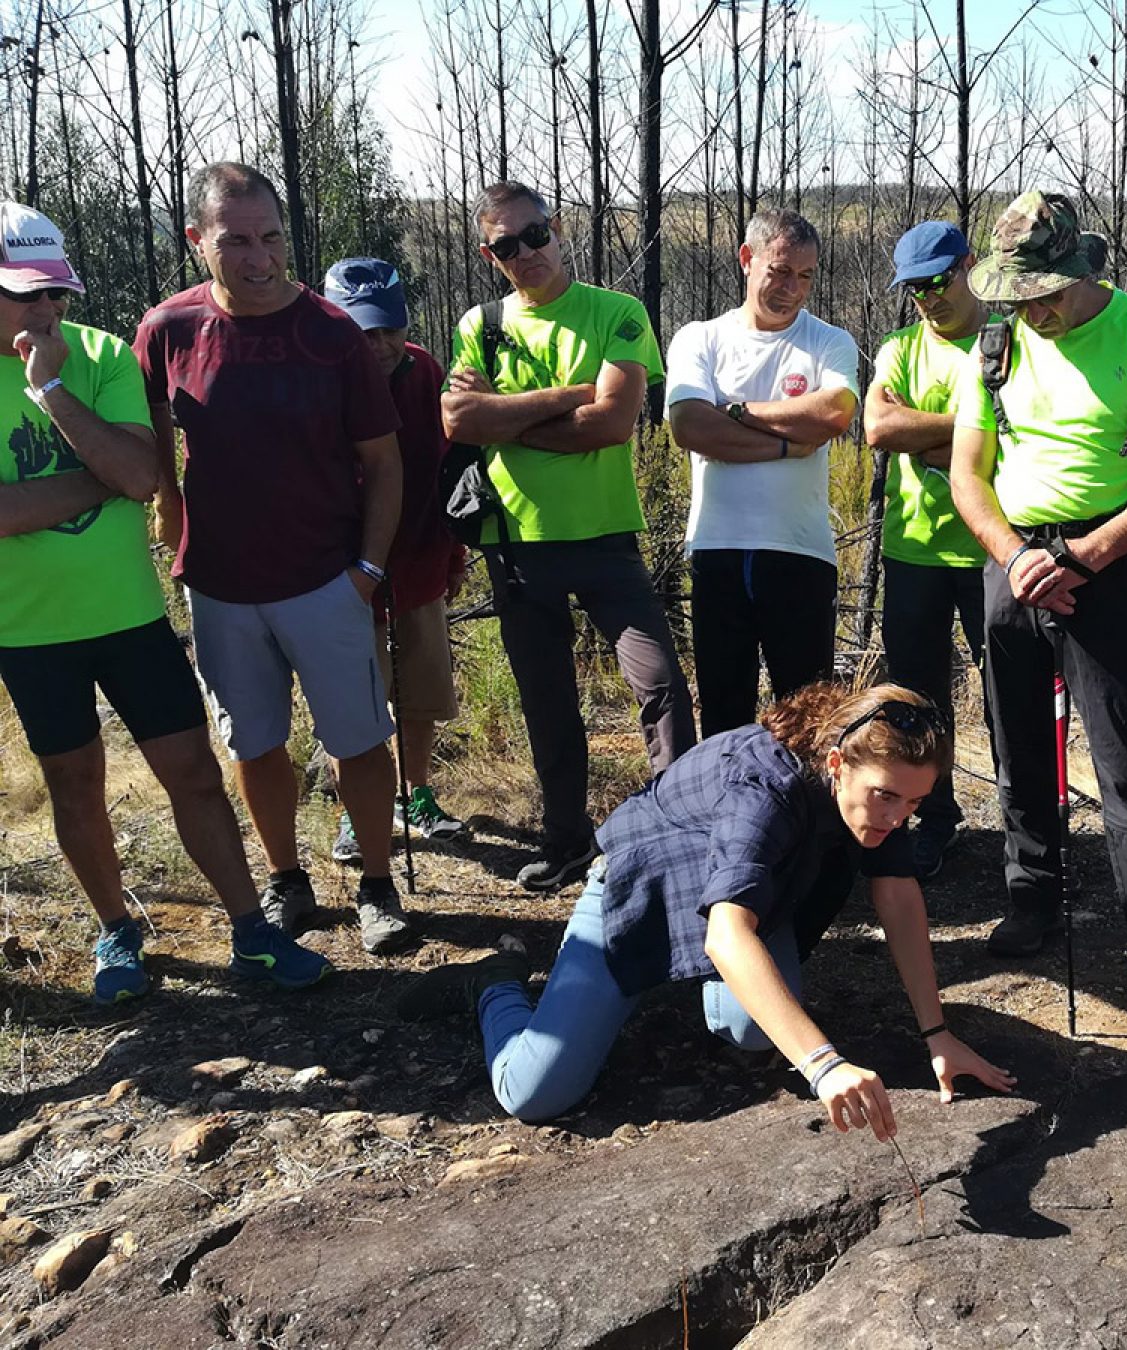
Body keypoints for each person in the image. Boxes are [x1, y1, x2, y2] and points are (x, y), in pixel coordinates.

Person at [397, 682, 1016, 1130]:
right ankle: (494, 985)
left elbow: (898, 897)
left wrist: (937, 1033)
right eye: (885, 797)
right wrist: (824, 1066)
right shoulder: (765, 787)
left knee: (751, 1029)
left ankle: (698, 992)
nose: (896, 816)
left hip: (735, 888)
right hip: (642, 883)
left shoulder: (878, 796)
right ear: (835, 764)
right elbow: (726, 937)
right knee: (534, 1092)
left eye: (912, 805)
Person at [0, 201, 329, 999]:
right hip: (28, 631)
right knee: (73, 784)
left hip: (130, 618)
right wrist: (98, 476)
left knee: (193, 773)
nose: (46, 311)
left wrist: (51, 397)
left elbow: (143, 478)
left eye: (57, 294)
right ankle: (117, 933)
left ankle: (250, 930)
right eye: (25, 294)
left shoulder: (101, 356)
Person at [948, 190, 1127, 1033]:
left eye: (1045, 294)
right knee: (1018, 741)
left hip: (1112, 559)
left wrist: (1081, 559)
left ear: (1081, 272)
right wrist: (1018, 556)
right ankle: (1033, 896)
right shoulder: (991, 346)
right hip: (1014, 559)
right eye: (1017, 296)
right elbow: (968, 473)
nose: (1033, 311)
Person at [138, 162, 414, 955]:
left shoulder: (331, 334)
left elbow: (384, 462)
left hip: (326, 578)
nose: (259, 259)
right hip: (220, 587)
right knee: (254, 745)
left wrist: (366, 570)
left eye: (270, 239)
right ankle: (287, 877)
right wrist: (167, 499)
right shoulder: (168, 330)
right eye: (236, 242)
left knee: (359, 740)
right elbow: (151, 420)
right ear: (197, 241)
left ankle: (376, 883)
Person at [440, 181, 695, 893]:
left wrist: (507, 416)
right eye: (506, 245)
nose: (527, 253)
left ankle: (680, 841)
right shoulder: (481, 324)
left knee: (661, 687)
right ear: (489, 254)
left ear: (557, 230)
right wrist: (570, 396)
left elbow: (614, 423)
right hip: (516, 546)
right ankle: (566, 844)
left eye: (535, 234)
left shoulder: (616, 312)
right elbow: (460, 423)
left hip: (607, 539)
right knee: (547, 704)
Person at [665, 209, 859, 737]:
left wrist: (732, 410)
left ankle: (813, 821)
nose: (793, 289)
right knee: (725, 712)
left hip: (801, 551)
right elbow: (688, 425)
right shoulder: (700, 338)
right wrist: (783, 446)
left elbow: (832, 414)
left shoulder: (829, 341)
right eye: (780, 271)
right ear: (747, 260)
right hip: (718, 551)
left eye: (806, 276)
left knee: (809, 717)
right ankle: (732, 818)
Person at [322, 257, 470, 865]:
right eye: (363, 332)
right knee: (353, 701)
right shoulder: (320, 379)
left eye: (386, 328)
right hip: (344, 572)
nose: (378, 344)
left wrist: (454, 549)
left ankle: (417, 795)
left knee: (420, 691)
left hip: (419, 562)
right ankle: (358, 815)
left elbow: (445, 469)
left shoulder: (425, 370)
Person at [865, 222, 992, 878]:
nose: (929, 298)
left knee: (1008, 698)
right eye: (915, 289)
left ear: (970, 265)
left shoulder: (1009, 343)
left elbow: (1024, 438)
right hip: (913, 550)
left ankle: (1029, 836)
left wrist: (932, 435)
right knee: (916, 703)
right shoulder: (899, 349)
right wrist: (976, 431)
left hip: (993, 550)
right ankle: (933, 821)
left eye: (940, 281)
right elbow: (880, 427)